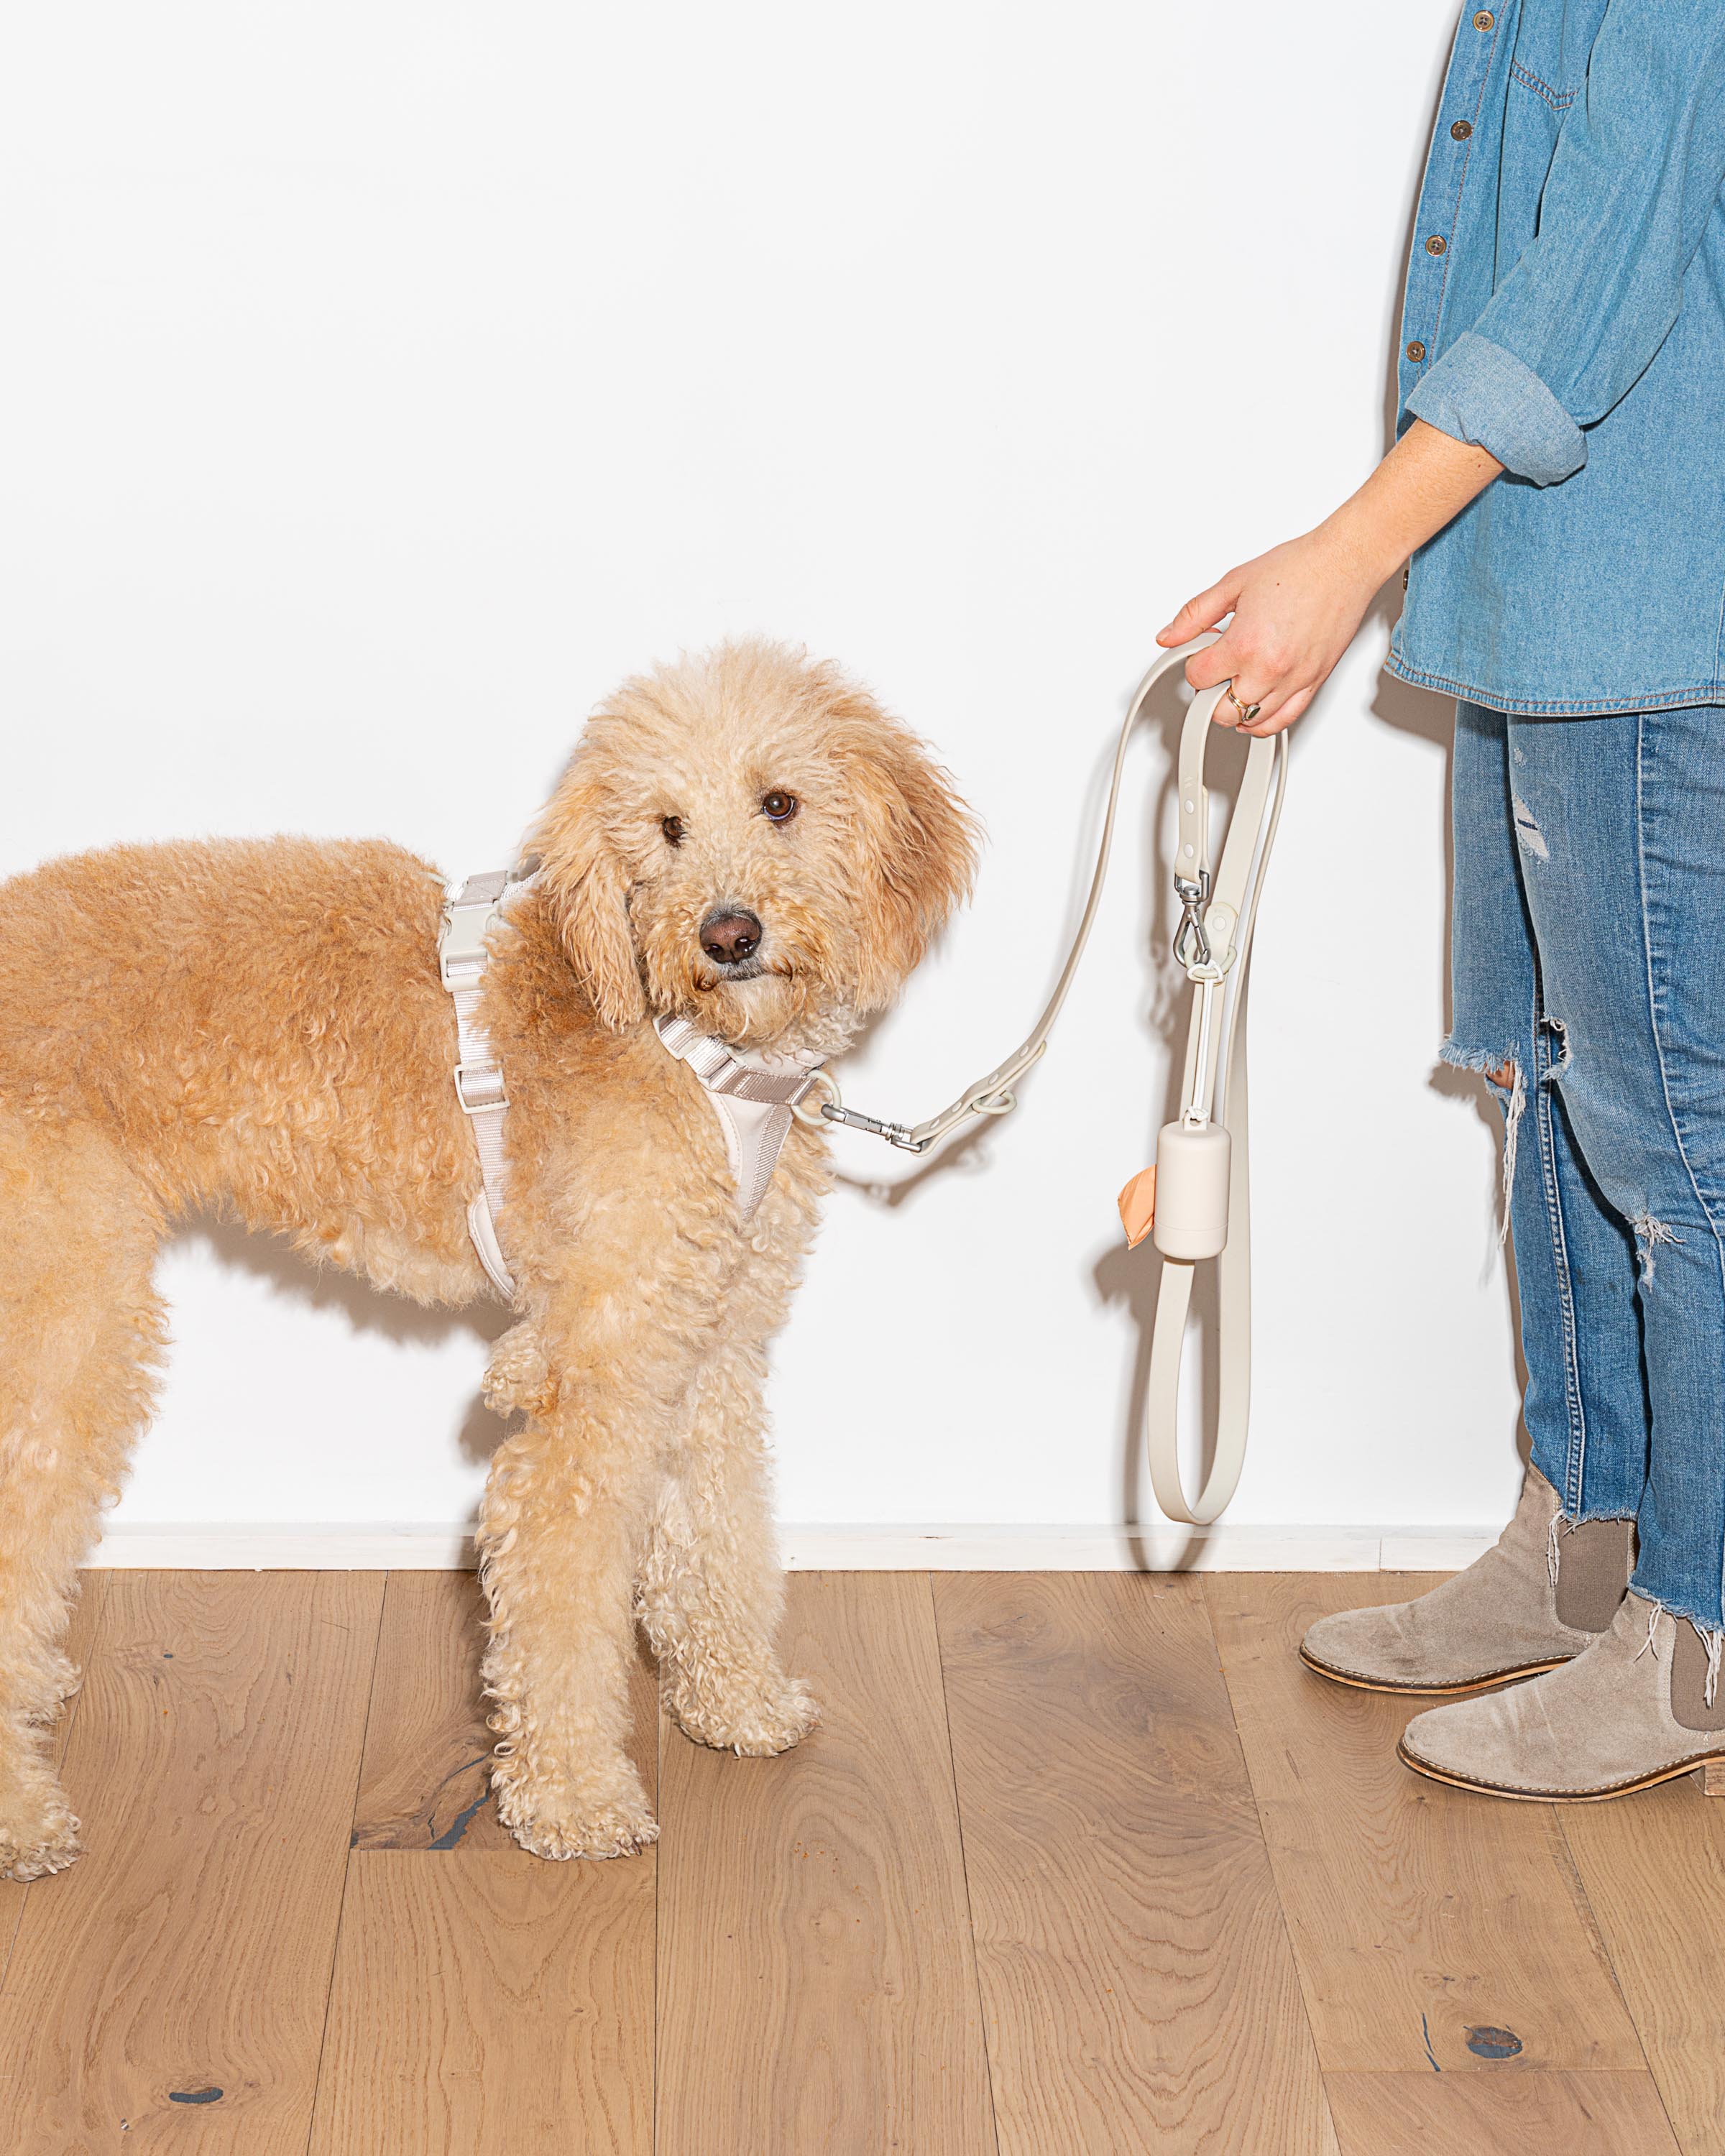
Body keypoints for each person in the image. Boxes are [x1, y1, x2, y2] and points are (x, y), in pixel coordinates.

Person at [1158, 0, 1725, 1800]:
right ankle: (1585, 1546)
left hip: (1651, 621)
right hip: (1528, 607)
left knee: (1680, 1147)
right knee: (1536, 1079)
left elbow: (1594, 279)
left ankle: (1695, 1635)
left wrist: (1343, 556)